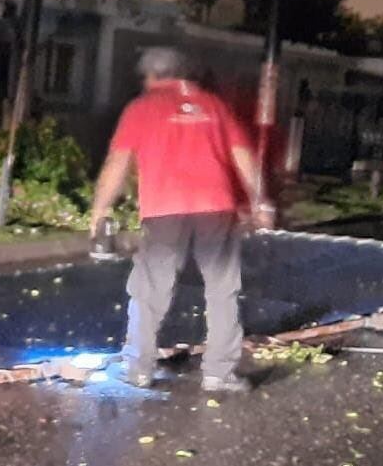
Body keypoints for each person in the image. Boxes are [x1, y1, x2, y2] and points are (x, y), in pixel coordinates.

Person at [89, 47, 274, 393]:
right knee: (222, 290)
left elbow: (117, 163)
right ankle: (219, 374)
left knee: (151, 289)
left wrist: (100, 209)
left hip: (164, 211)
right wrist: (260, 200)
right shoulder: (214, 106)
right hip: (216, 209)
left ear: (154, 76)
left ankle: (138, 369)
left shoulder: (142, 108)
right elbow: (244, 157)